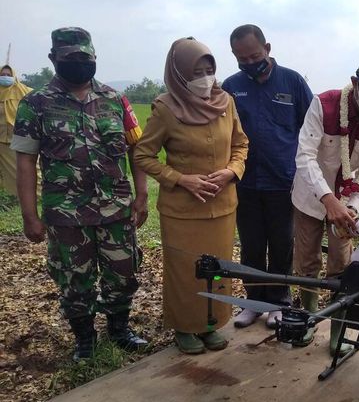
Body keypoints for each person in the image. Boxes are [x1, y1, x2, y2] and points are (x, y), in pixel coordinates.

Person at [11, 27, 149, 361]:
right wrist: (30, 215)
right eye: (70, 58)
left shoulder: (116, 101)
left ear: (95, 58)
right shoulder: (36, 104)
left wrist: (142, 193)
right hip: (66, 214)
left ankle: (119, 329)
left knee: (124, 273)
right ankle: (84, 339)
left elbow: (137, 149)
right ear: (54, 59)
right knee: (74, 280)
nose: (79, 63)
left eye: (85, 57)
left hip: (115, 209)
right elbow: (26, 161)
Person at [134, 37, 248, 354]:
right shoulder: (165, 109)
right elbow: (143, 156)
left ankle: (210, 325)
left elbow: (241, 144)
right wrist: (182, 179)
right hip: (182, 211)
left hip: (223, 207)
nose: (205, 77)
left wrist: (231, 171)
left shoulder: (225, 103)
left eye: (209, 69)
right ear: (179, 72)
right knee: (186, 273)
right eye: (196, 71)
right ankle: (185, 327)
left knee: (218, 270)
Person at [292, 55, 359, 356]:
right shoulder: (323, 104)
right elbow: (305, 156)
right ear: (355, 83)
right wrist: (328, 200)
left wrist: (352, 205)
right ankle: (310, 319)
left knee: (341, 265)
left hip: (346, 206)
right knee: (308, 261)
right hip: (310, 199)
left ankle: (338, 328)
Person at [222, 25, 313, 329]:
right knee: (250, 245)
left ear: (268, 48)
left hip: (283, 180)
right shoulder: (231, 87)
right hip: (245, 181)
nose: (249, 62)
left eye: (254, 55)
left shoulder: (293, 82)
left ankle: (279, 302)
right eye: (241, 58)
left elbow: (311, 129)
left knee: (281, 243)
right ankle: (253, 303)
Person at [0, 65, 32, 196]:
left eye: (9, 75)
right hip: (1, 141)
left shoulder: (25, 92)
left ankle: (31, 197)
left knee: (24, 171)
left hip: (19, 140)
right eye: (3, 75)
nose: (5, 78)